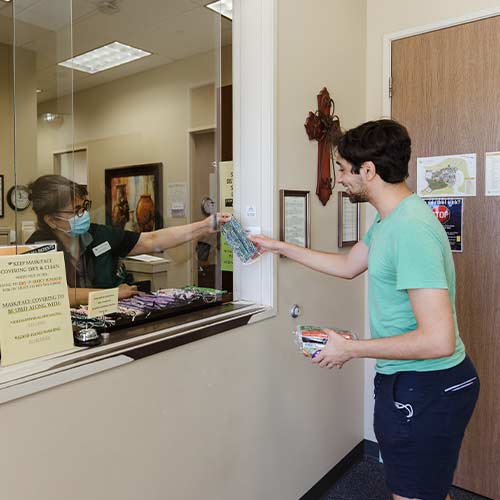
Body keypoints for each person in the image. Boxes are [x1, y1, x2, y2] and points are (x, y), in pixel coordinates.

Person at [250, 119, 479, 500]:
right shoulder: (389, 220)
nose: (340, 179)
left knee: (415, 494)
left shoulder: (411, 230)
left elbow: (437, 340)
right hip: (410, 383)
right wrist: (280, 247)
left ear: (368, 171)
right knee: (427, 490)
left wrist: (351, 348)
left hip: (426, 387)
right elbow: (347, 267)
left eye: (342, 170)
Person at [27, 175, 230, 306]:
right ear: (51, 220)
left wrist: (205, 226)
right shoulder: (38, 248)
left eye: (85, 207)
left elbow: (152, 240)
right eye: (75, 211)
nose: (84, 215)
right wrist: (111, 294)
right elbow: (54, 296)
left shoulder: (99, 235)